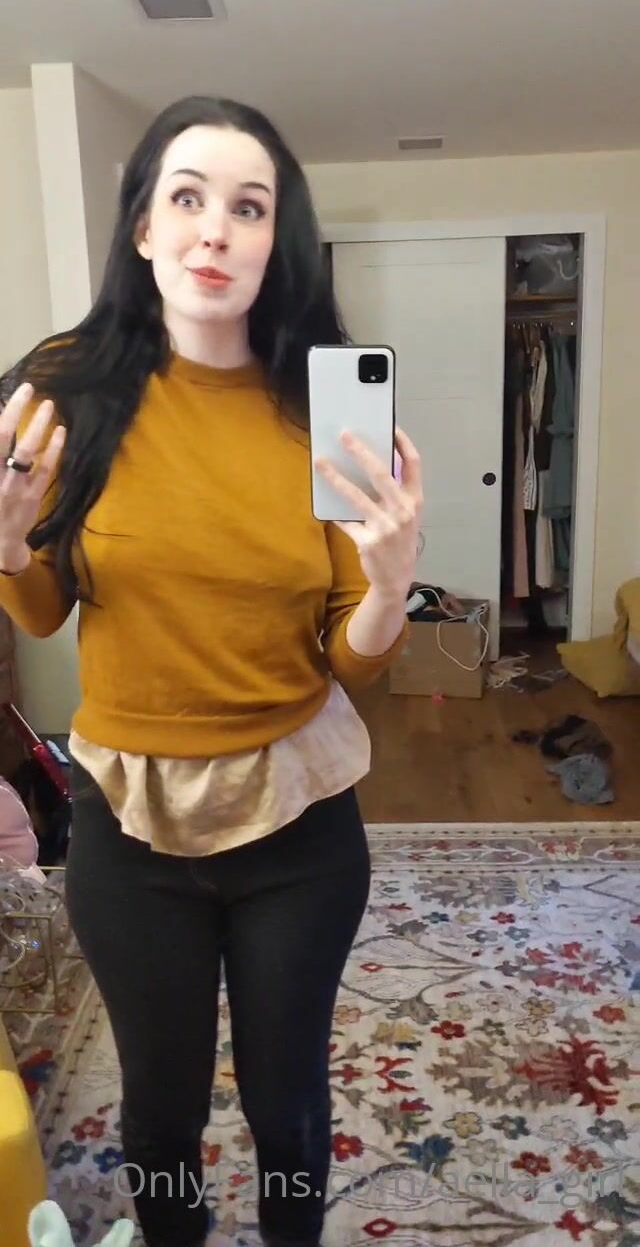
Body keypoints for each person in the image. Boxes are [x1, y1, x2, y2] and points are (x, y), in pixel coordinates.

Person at [0, 95, 423, 1247]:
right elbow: (44, 605)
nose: (214, 228)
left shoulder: (324, 404)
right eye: (187, 196)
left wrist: (389, 588)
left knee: (289, 1104)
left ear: (276, 237)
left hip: (297, 821)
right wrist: (9, 550)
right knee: (161, 1109)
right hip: (130, 824)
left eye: (249, 205)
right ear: (143, 225)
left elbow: (347, 655)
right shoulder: (67, 386)